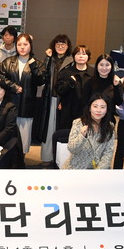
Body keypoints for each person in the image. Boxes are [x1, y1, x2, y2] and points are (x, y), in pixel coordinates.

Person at [0, 33, 47, 154]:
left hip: (27, 105)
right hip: (9, 104)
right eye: (19, 44)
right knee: (7, 134)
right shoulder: (8, 62)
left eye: (25, 44)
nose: (22, 47)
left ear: (31, 45)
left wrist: (33, 66)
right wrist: (13, 86)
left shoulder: (37, 63)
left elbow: (41, 81)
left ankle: (21, 159)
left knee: (24, 138)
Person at [37, 34, 73, 166]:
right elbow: (43, 76)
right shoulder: (50, 58)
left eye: (63, 44)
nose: (60, 46)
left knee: (61, 130)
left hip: (63, 100)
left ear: (68, 46)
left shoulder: (71, 60)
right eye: (58, 44)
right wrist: (47, 58)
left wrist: (64, 101)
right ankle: (47, 157)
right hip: (49, 99)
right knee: (48, 129)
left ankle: (60, 159)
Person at [62, 94, 115, 170]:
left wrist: (98, 172)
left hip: (99, 170)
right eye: (95, 106)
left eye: (102, 107)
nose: (98, 110)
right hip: (77, 168)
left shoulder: (110, 127)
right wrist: (82, 136)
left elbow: (108, 153)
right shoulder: (78, 123)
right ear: (90, 108)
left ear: (107, 110)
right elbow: (72, 149)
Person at [55, 44, 95, 131]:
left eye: (84, 54)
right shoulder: (66, 72)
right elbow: (59, 90)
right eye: (78, 54)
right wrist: (69, 83)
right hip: (68, 112)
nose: (81, 56)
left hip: (87, 111)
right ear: (74, 56)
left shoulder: (94, 73)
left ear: (88, 57)